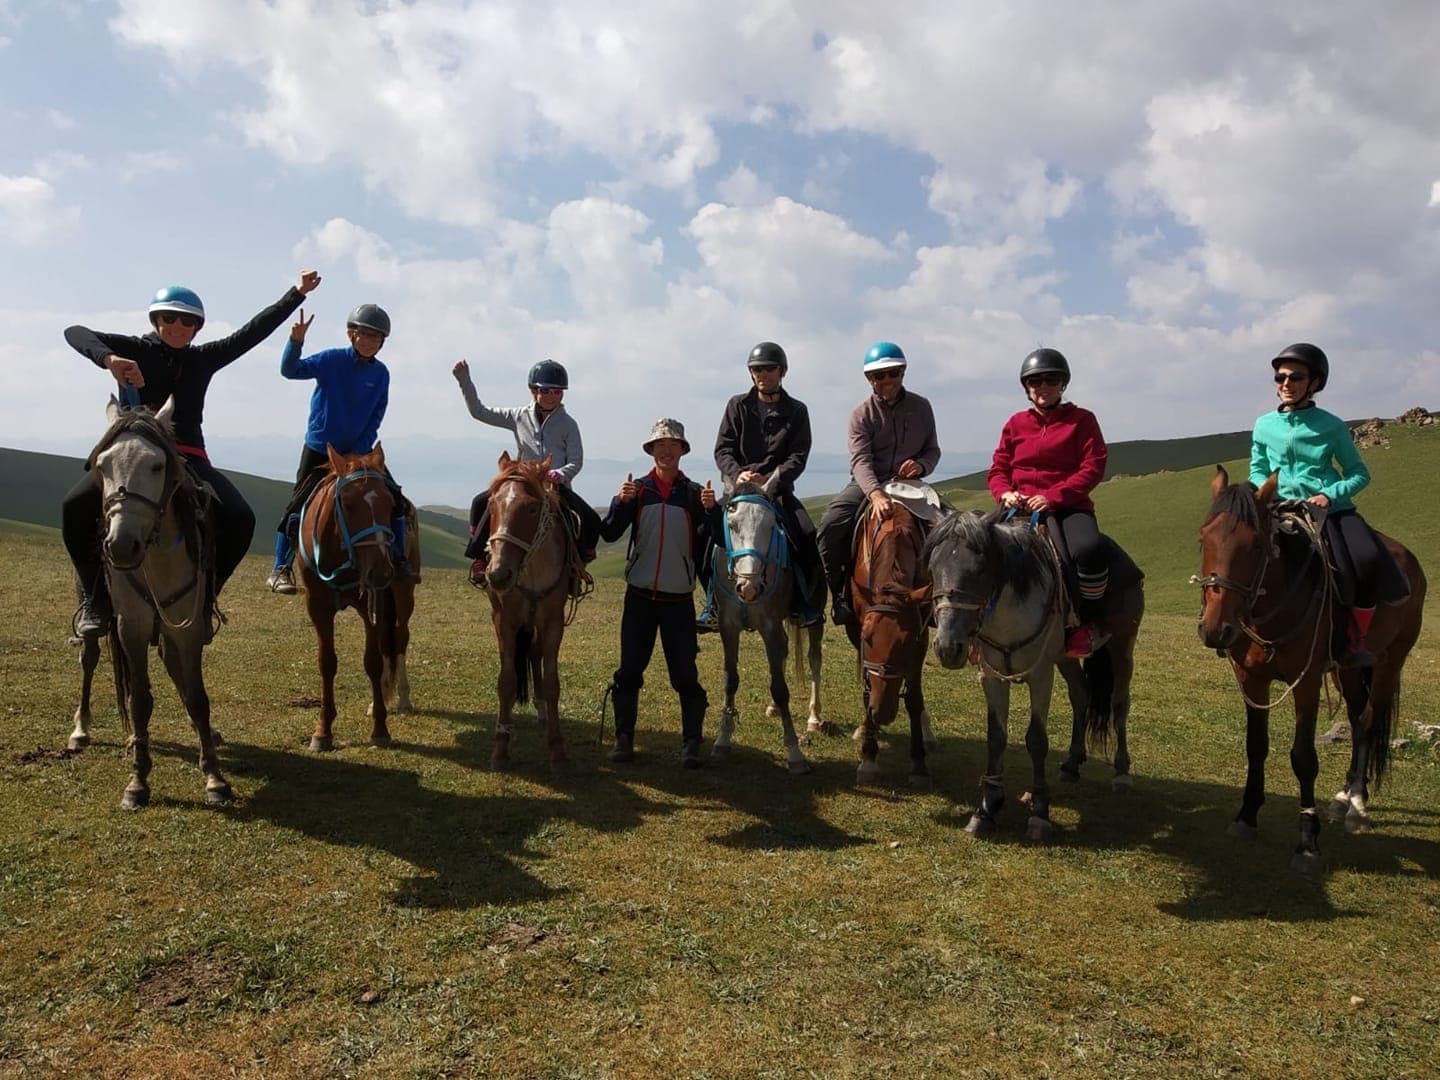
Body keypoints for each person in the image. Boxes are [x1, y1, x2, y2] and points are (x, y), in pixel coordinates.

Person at [63, 270, 321, 636]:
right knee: (74, 506)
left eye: (188, 321)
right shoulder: (134, 350)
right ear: (156, 320)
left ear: (198, 327)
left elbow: (251, 332)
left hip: (188, 456)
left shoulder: (203, 359)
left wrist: (296, 294)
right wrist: (109, 361)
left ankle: (205, 599)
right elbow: (74, 332)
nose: (178, 326)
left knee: (240, 517)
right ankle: (93, 600)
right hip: (133, 457)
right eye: (169, 317)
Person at [1250, 343, 1404, 666]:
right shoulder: (1264, 425)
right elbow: (1258, 468)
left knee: (1365, 559)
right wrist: (1260, 491)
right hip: (1279, 507)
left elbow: (1359, 474)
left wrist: (1329, 494)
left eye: (1295, 377)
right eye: (1279, 377)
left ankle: (1357, 640)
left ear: (1315, 382)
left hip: (1330, 511)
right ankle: (1232, 628)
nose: (1286, 384)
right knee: (1235, 554)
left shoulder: (1331, 425)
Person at [265, 304, 416, 594]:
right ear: (351, 334)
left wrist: (358, 451)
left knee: (394, 498)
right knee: (297, 505)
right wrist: (295, 341)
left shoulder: (382, 374)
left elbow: (377, 414)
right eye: (364, 334)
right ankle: (280, 568)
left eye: (377, 337)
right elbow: (290, 370)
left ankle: (398, 559)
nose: (370, 341)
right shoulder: (331, 360)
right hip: (320, 449)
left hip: (359, 453)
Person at [600, 419, 719, 768]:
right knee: (629, 671)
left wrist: (713, 512)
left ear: (682, 450)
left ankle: (691, 745)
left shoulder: (695, 495)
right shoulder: (637, 491)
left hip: (678, 601)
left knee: (685, 674)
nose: (666, 451)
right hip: (639, 598)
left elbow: (718, 540)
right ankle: (623, 741)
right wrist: (621, 504)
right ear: (651, 451)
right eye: (659, 445)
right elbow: (609, 534)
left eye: (673, 445)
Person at [987, 347, 1108, 658]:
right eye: (1035, 381)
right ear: (1027, 388)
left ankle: (1083, 624)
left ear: (1062, 384)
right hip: (1017, 505)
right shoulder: (1015, 424)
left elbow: (1093, 466)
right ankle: (980, 628)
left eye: (1050, 380)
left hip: (1068, 506)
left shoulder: (1082, 421)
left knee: (1088, 550)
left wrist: (1053, 497)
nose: (1042, 387)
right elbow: (999, 468)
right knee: (977, 551)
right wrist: (1005, 493)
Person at [698, 341, 823, 631]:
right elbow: (723, 449)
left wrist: (771, 479)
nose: (762, 374)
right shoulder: (737, 405)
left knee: (805, 534)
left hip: (776, 492)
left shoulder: (797, 411)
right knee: (705, 533)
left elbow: (798, 455)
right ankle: (712, 604)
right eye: (756, 369)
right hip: (738, 492)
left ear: (782, 371)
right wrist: (738, 473)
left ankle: (802, 603)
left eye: (768, 369)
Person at [816, 342, 941, 627]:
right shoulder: (861, 414)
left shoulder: (922, 407)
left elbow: (933, 450)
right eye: (878, 376)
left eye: (893, 373)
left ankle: (939, 602)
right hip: (868, 484)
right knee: (830, 526)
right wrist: (874, 494)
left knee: (954, 531)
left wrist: (922, 465)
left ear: (903, 372)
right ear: (869, 379)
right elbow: (860, 460)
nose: (887, 381)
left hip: (911, 486)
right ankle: (841, 596)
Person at [451, 357, 600, 586]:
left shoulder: (569, 424)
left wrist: (560, 474)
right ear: (533, 390)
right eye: (546, 390)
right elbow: (479, 412)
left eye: (558, 392)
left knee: (588, 519)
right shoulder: (518, 416)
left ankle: (575, 566)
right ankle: (480, 558)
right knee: (480, 503)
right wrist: (464, 380)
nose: (552, 396)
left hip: (555, 485)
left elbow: (576, 460)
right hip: (523, 484)